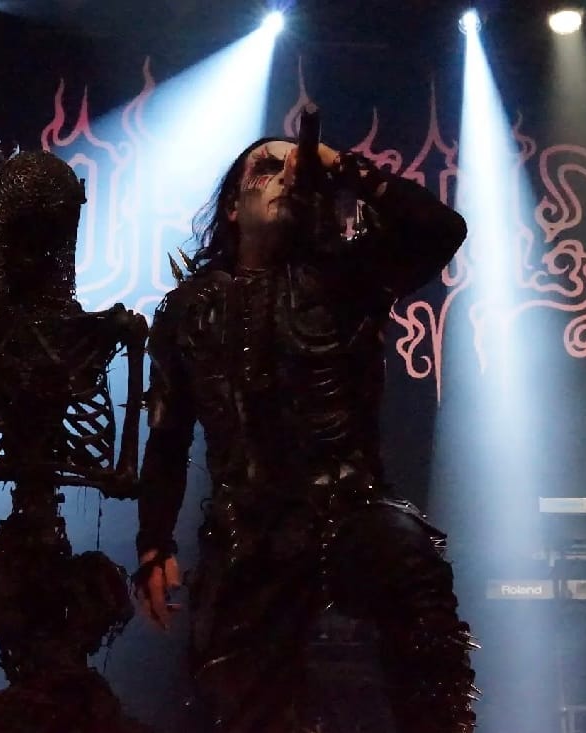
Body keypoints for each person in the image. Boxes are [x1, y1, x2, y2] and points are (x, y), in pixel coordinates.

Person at [132, 135, 476, 732]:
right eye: (267, 166)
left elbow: (441, 229)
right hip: (248, 527)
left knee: (413, 565)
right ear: (233, 206)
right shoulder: (188, 310)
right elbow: (167, 438)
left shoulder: (345, 278)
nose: (284, 175)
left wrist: (336, 165)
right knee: (238, 698)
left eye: (293, 167)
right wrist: (154, 543)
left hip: (349, 507)